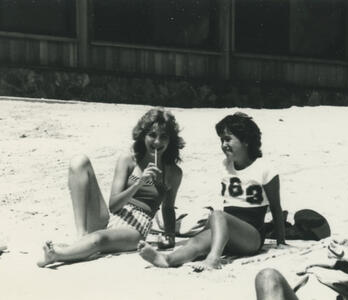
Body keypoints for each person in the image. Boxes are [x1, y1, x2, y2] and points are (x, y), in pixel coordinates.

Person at [37, 108, 184, 267]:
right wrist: (139, 183)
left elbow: (168, 208)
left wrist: (169, 236)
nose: (157, 142)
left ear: (170, 141)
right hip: (113, 217)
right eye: (152, 135)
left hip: (136, 229)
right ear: (143, 136)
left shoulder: (173, 172)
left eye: (164, 137)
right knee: (79, 162)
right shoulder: (128, 160)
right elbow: (114, 206)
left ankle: (56, 255)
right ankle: (81, 235)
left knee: (99, 239)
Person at [139, 112, 286, 271]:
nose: (224, 144)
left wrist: (281, 242)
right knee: (196, 242)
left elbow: (276, 208)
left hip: (252, 237)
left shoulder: (264, 169)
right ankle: (167, 259)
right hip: (228, 233)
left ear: (246, 140)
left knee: (217, 214)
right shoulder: (226, 165)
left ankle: (213, 259)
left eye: (228, 139)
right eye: (222, 140)